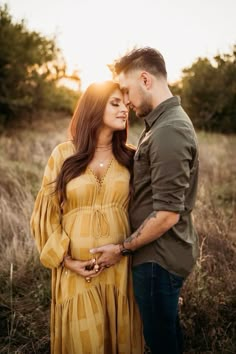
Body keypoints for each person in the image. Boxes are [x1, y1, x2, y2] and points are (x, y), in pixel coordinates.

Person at [90, 47, 199, 354]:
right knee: (167, 334)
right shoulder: (160, 124)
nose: (125, 100)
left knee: (160, 342)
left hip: (157, 259)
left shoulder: (170, 131)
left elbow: (167, 215)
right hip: (157, 256)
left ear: (145, 79)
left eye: (126, 90)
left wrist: (122, 248)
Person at [30, 80, 144, 354]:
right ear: (94, 108)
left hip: (119, 270)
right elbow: (45, 216)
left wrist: (123, 249)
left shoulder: (131, 157)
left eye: (125, 105)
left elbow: (144, 213)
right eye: (114, 104)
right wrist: (66, 261)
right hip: (76, 274)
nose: (123, 110)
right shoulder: (64, 154)